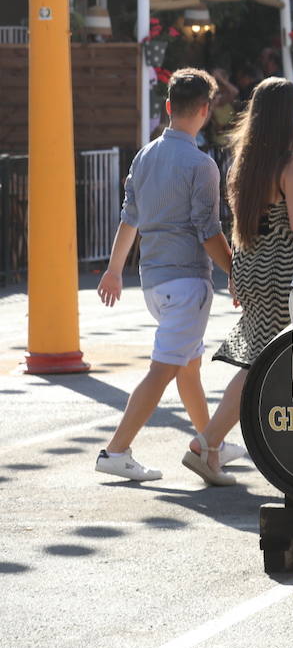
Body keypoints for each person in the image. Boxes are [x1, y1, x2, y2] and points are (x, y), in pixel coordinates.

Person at [95, 69, 233, 482]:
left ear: (169, 106)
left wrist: (114, 271)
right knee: (164, 369)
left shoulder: (144, 156)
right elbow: (208, 230)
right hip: (187, 281)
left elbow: (129, 218)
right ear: (206, 111)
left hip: (152, 282)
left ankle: (214, 443)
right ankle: (116, 450)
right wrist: (237, 273)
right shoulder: (202, 164)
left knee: (187, 366)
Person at [184, 79, 293, 486]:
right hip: (283, 272)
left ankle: (210, 445)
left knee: (261, 361)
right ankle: (208, 442)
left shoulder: (243, 162)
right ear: (288, 116)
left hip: (251, 267)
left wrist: (237, 275)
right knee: (265, 364)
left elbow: (241, 225)